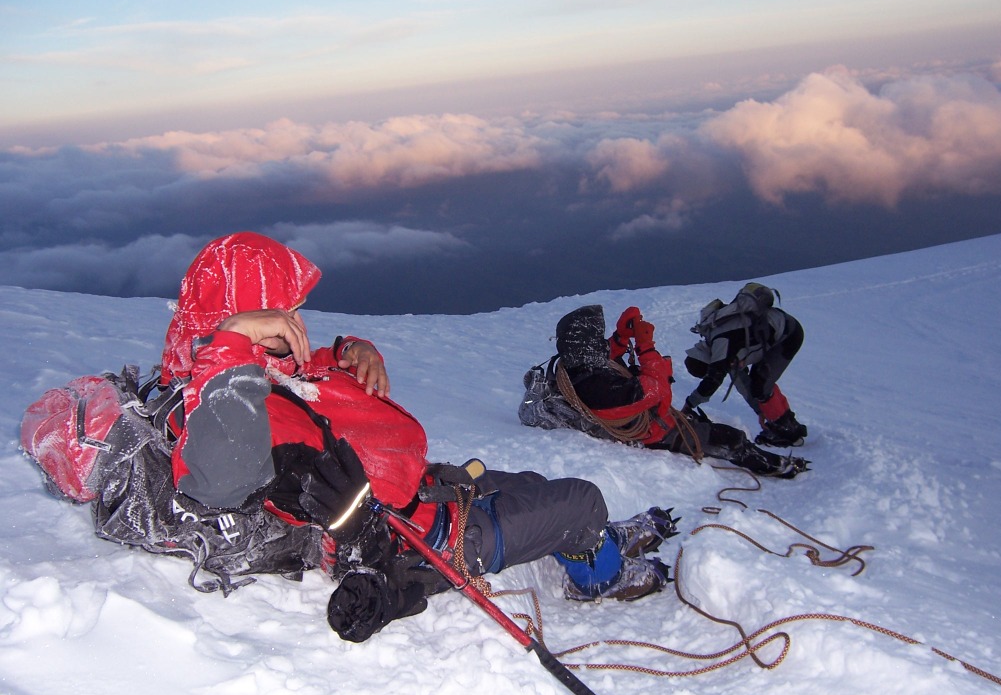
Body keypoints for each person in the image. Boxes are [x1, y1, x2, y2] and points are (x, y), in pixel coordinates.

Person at [161, 232, 676, 643]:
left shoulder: (241, 378)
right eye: (275, 315)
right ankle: (599, 575)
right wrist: (234, 340)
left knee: (532, 482)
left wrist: (351, 349)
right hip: (425, 540)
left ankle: (598, 538)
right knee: (582, 501)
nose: (294, 322)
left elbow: (297, 376)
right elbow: (220, 478)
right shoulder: (234, 414)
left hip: (427, 490)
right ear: (236, 325)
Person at [546, 304, 809, 478]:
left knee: (715, 431)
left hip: (651, 419)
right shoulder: (599, 387)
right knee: (729, 438)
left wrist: (620, 338)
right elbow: (656, 392)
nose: (600, 343)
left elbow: (606, 362)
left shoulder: (574, 370)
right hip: (658, 431)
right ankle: (780, 467)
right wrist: (646, 348)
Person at [683, 283, 807, 447]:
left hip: (788, 334)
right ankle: (783, 424)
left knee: (761, 386)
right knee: (759, 383)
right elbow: (742, 383)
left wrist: (689, 405)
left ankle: (788, 433)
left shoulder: (722, 345)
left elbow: (713, 380)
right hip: (778, 328)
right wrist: (760, 411)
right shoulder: (718, 344)